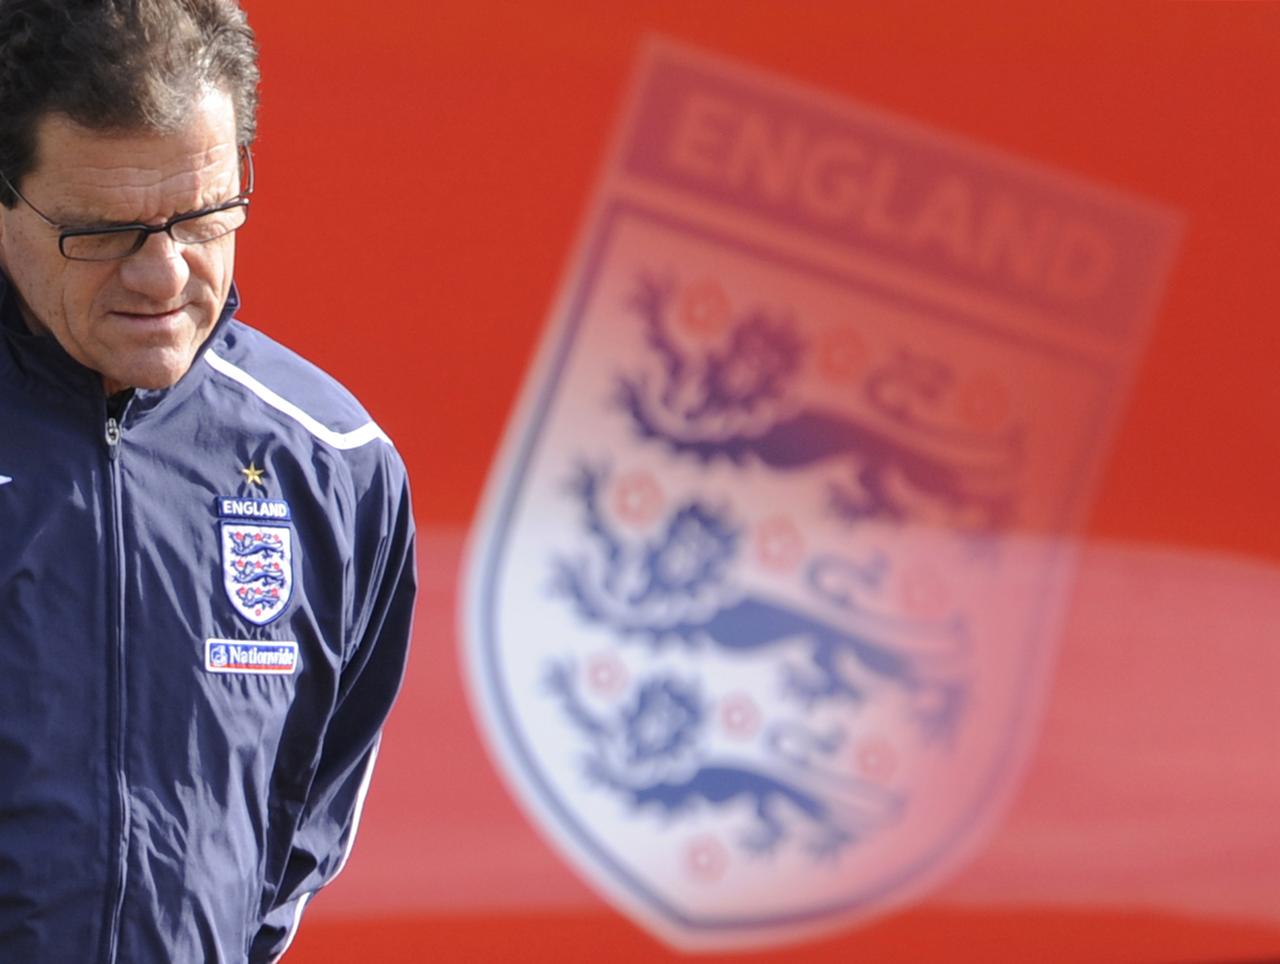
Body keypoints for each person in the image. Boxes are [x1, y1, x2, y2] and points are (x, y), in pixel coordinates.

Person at [0, 1, 417, 960]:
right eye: (101, 231)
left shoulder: (335, 463)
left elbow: (296, 838)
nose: (161, 274)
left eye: (202, 215)